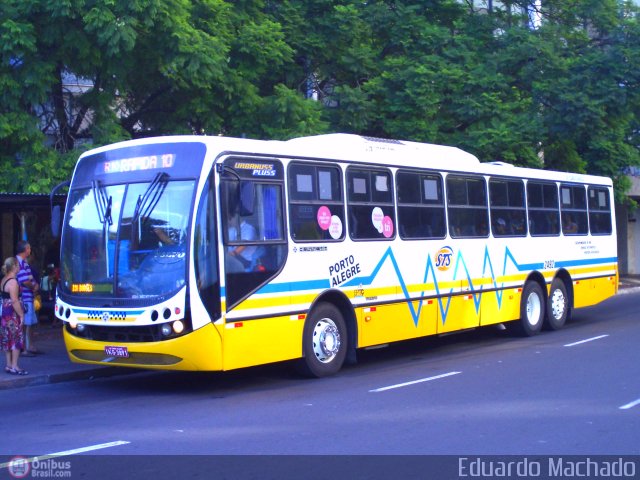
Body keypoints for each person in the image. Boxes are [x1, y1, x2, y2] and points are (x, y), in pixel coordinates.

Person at [1, 257, 28, 375]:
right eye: (17, 265)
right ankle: (15, 366)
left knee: (7, 338)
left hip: (4, 313)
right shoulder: (13, 281)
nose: (19, 267)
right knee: (16, 338)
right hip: (12, 313)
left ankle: (8, 365)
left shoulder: (4, 279)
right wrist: (21, 315)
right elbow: (15, 300)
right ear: (13, 267)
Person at [16, 241, 39, 355]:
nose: (30, 250)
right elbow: (25, 281)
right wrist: (33, 285)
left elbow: (30, 278)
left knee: (29, 323)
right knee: (25, 324)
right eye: (29, 248)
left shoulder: (24, 263)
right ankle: (24, 347)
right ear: (25, 250)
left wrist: (34, 285)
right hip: (24, 298)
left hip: (28, 297)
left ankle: (28, 346)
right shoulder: (18, 263)